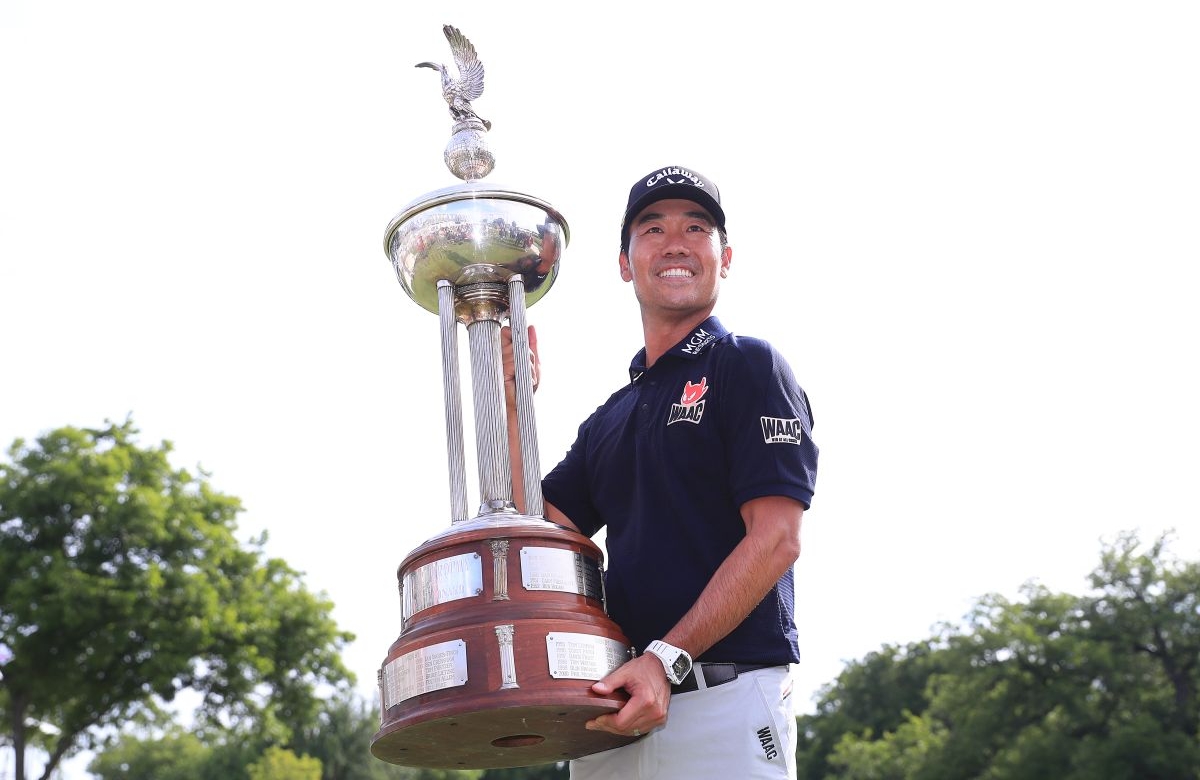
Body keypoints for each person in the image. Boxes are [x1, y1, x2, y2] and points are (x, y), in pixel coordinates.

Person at [504, 165, 818, 779]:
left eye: (696, 227)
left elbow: (777, 539)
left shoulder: (748, 366)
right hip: (613, 715)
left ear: (724, 257)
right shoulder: (612, 417)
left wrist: (664, 659)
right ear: (625, 263)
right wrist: (514, 400)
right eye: (652, 228)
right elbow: (538, 534)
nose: (675, 243)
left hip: (720, 702)